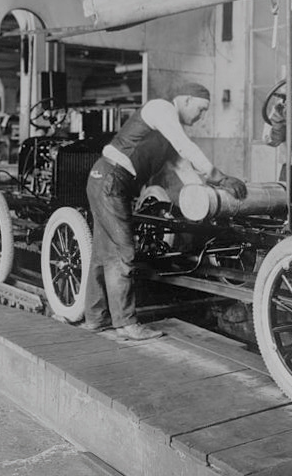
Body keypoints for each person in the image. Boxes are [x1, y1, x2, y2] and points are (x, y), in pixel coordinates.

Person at [82, 82, 247, 340]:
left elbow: (187, 173)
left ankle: (94, 318)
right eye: (201, 109)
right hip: (112, 180)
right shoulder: (161, 109)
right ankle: (126, 325)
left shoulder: (166, 136)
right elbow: (186, 146)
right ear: (186, 100)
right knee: (123, 253)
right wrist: (219, 176)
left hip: (106, 179)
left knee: (103, 254)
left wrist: (214, 199)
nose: (201, 116)